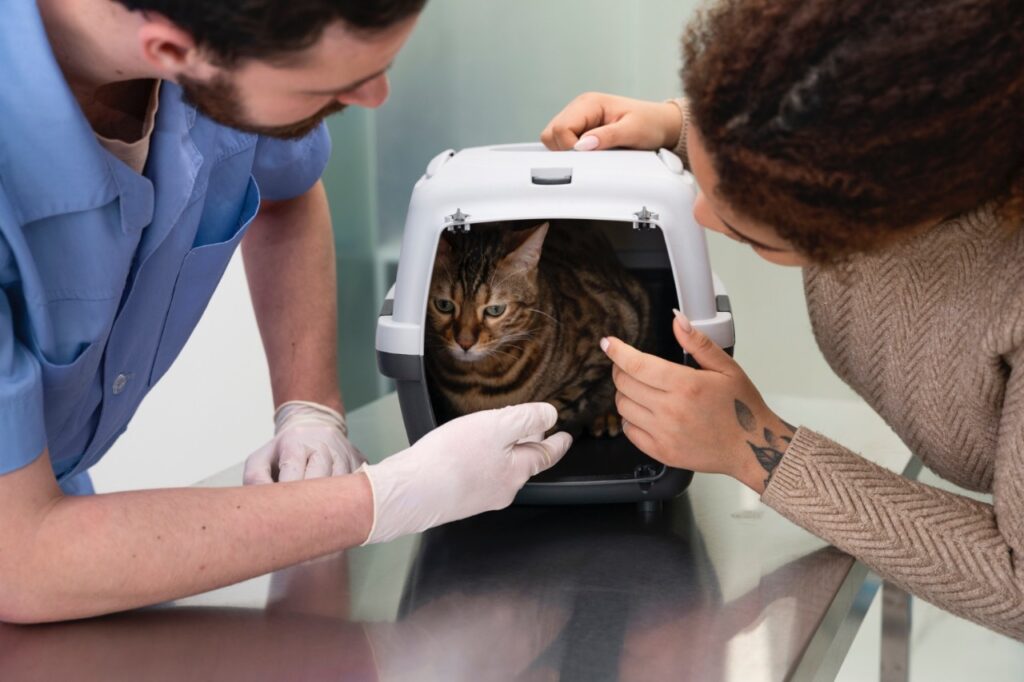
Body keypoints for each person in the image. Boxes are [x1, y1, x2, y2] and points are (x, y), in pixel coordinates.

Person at [0, 0, 571, 624]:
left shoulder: (222, 44)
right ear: (172, 55)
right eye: (326, 85)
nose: (376, 98)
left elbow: (286, 188)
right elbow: (22, 558)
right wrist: (380, 500)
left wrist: (310, 410)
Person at [542, 0, 1024, 640]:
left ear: (874, 221)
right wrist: (681, 128)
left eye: (748, 233)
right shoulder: (916, 106)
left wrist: (756, 448)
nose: (700, 215)